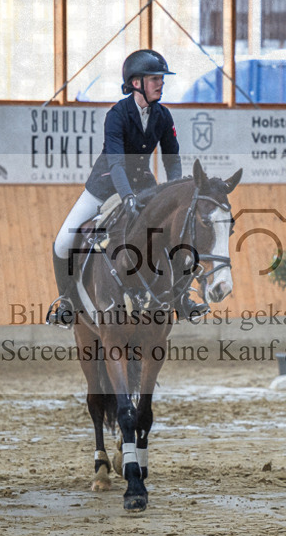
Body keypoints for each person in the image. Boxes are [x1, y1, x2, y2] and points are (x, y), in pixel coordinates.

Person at [47, 49, 209, 327]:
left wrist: (173, 193)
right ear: (136, 83)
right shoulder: (117, 115)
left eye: (161, 79)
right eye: (154, 79)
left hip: (144, 187)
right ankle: (67, 302)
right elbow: (118, 163)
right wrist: (127, 197)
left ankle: (181, 300)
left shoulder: (163, 116)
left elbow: (172, 159)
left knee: (176, 235)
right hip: (105, 185)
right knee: (63, 242)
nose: (161, 83)